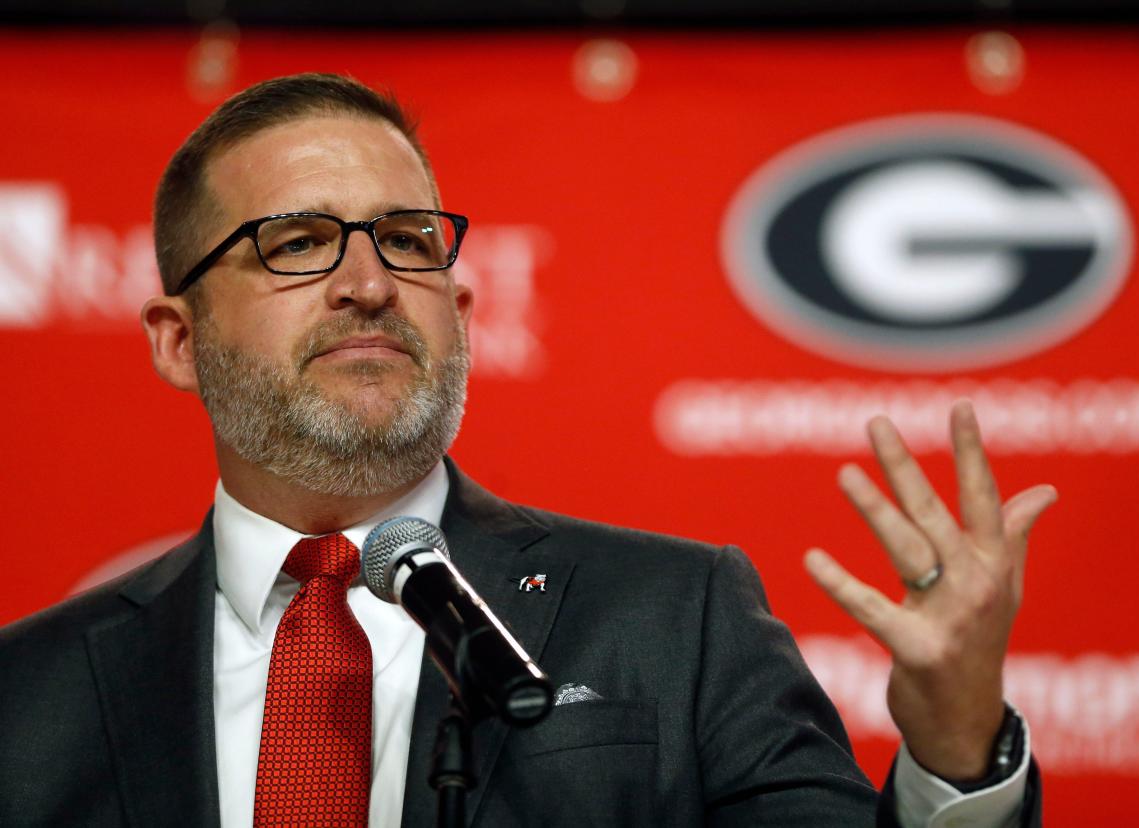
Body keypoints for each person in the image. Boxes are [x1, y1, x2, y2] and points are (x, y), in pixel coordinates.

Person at [0, 73, 1055, 827]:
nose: (369, 283)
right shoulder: (29, 698)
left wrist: (956, 758)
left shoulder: (674, 622)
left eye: (408, 241)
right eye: (299, 242)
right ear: (178, 341)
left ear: (459, 307)